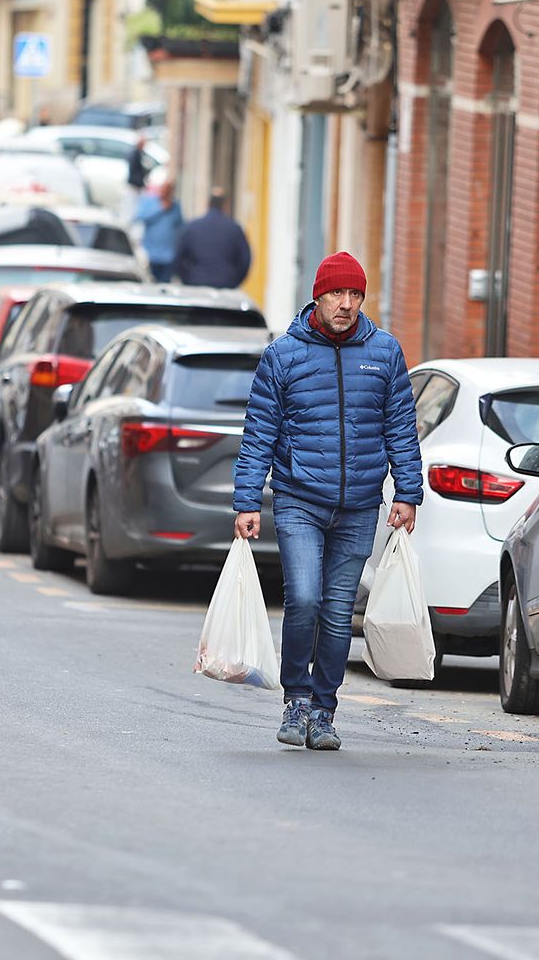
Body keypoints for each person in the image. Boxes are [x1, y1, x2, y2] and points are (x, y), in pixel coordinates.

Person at [232, 251, 423, 752]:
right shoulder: (284, 355)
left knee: (339, 612)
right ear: (317, 296)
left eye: (355, 295)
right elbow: (259, 435)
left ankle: (324, 710)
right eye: (337, 294)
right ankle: (295, 698)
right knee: (305, 600)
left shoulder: (383, 352)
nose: (346, 304)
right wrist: (247, 500)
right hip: (299, 498)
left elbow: (401, 426)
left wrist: (407, 491)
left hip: (360, 503)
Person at [174, 187, 252, 288]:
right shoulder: (234, 228)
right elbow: (245, 259)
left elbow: (178, 257)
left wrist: (188, 279)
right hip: (226, 284)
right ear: (225, 206)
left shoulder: (192, 227)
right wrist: (234, 280)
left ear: (208, 204)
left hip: (196, 283)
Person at [134, 178, 183, 282]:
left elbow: (180, 226)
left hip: (169, 255)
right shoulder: (150, 202)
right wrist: (160, 209)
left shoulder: (176, 206)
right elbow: (139, 217)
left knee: (164, 284)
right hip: (151, 254)